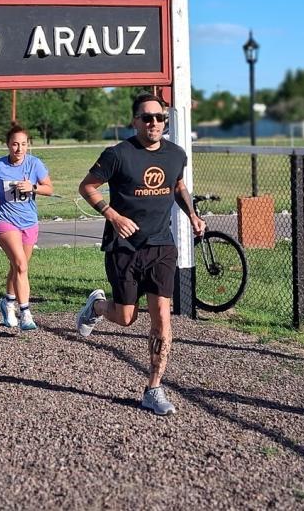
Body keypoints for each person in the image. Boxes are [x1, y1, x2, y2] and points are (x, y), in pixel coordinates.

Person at [76, 93, 206, 416]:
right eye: (147, 118)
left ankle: (153, 388)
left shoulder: (176, 155)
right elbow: (87, 187)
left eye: (159, 118)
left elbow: (177, 186)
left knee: (162, 316)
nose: (154, 123)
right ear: (134, 121)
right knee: (125, 318)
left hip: (162, 246)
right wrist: (114, 216)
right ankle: (97, 306)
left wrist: (192, 215)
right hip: (124, 248)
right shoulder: (117, 155)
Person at [0, 123, 53, 331]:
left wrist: (33, 187)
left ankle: (8, 303)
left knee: (17, 266)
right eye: (14, 144)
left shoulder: (35, 164)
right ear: (7, 145)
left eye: (23, 144)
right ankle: (26, 313)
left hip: (28, 222)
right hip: (4, 220)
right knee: (21, 265)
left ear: (28, 145)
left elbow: (49, 188)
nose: (19, 149)